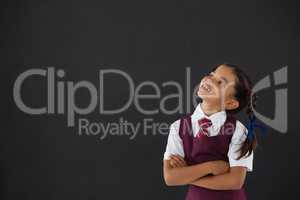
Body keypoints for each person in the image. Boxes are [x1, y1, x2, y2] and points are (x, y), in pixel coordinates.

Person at [163, 63, 258, 200]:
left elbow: (235, 181)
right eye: (211, 74)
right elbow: (170, 177)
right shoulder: (178, 128)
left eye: (220, 82)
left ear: (230, 103)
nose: (209, 80)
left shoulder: (238, 131)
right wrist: (211, 167)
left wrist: (187, 175)